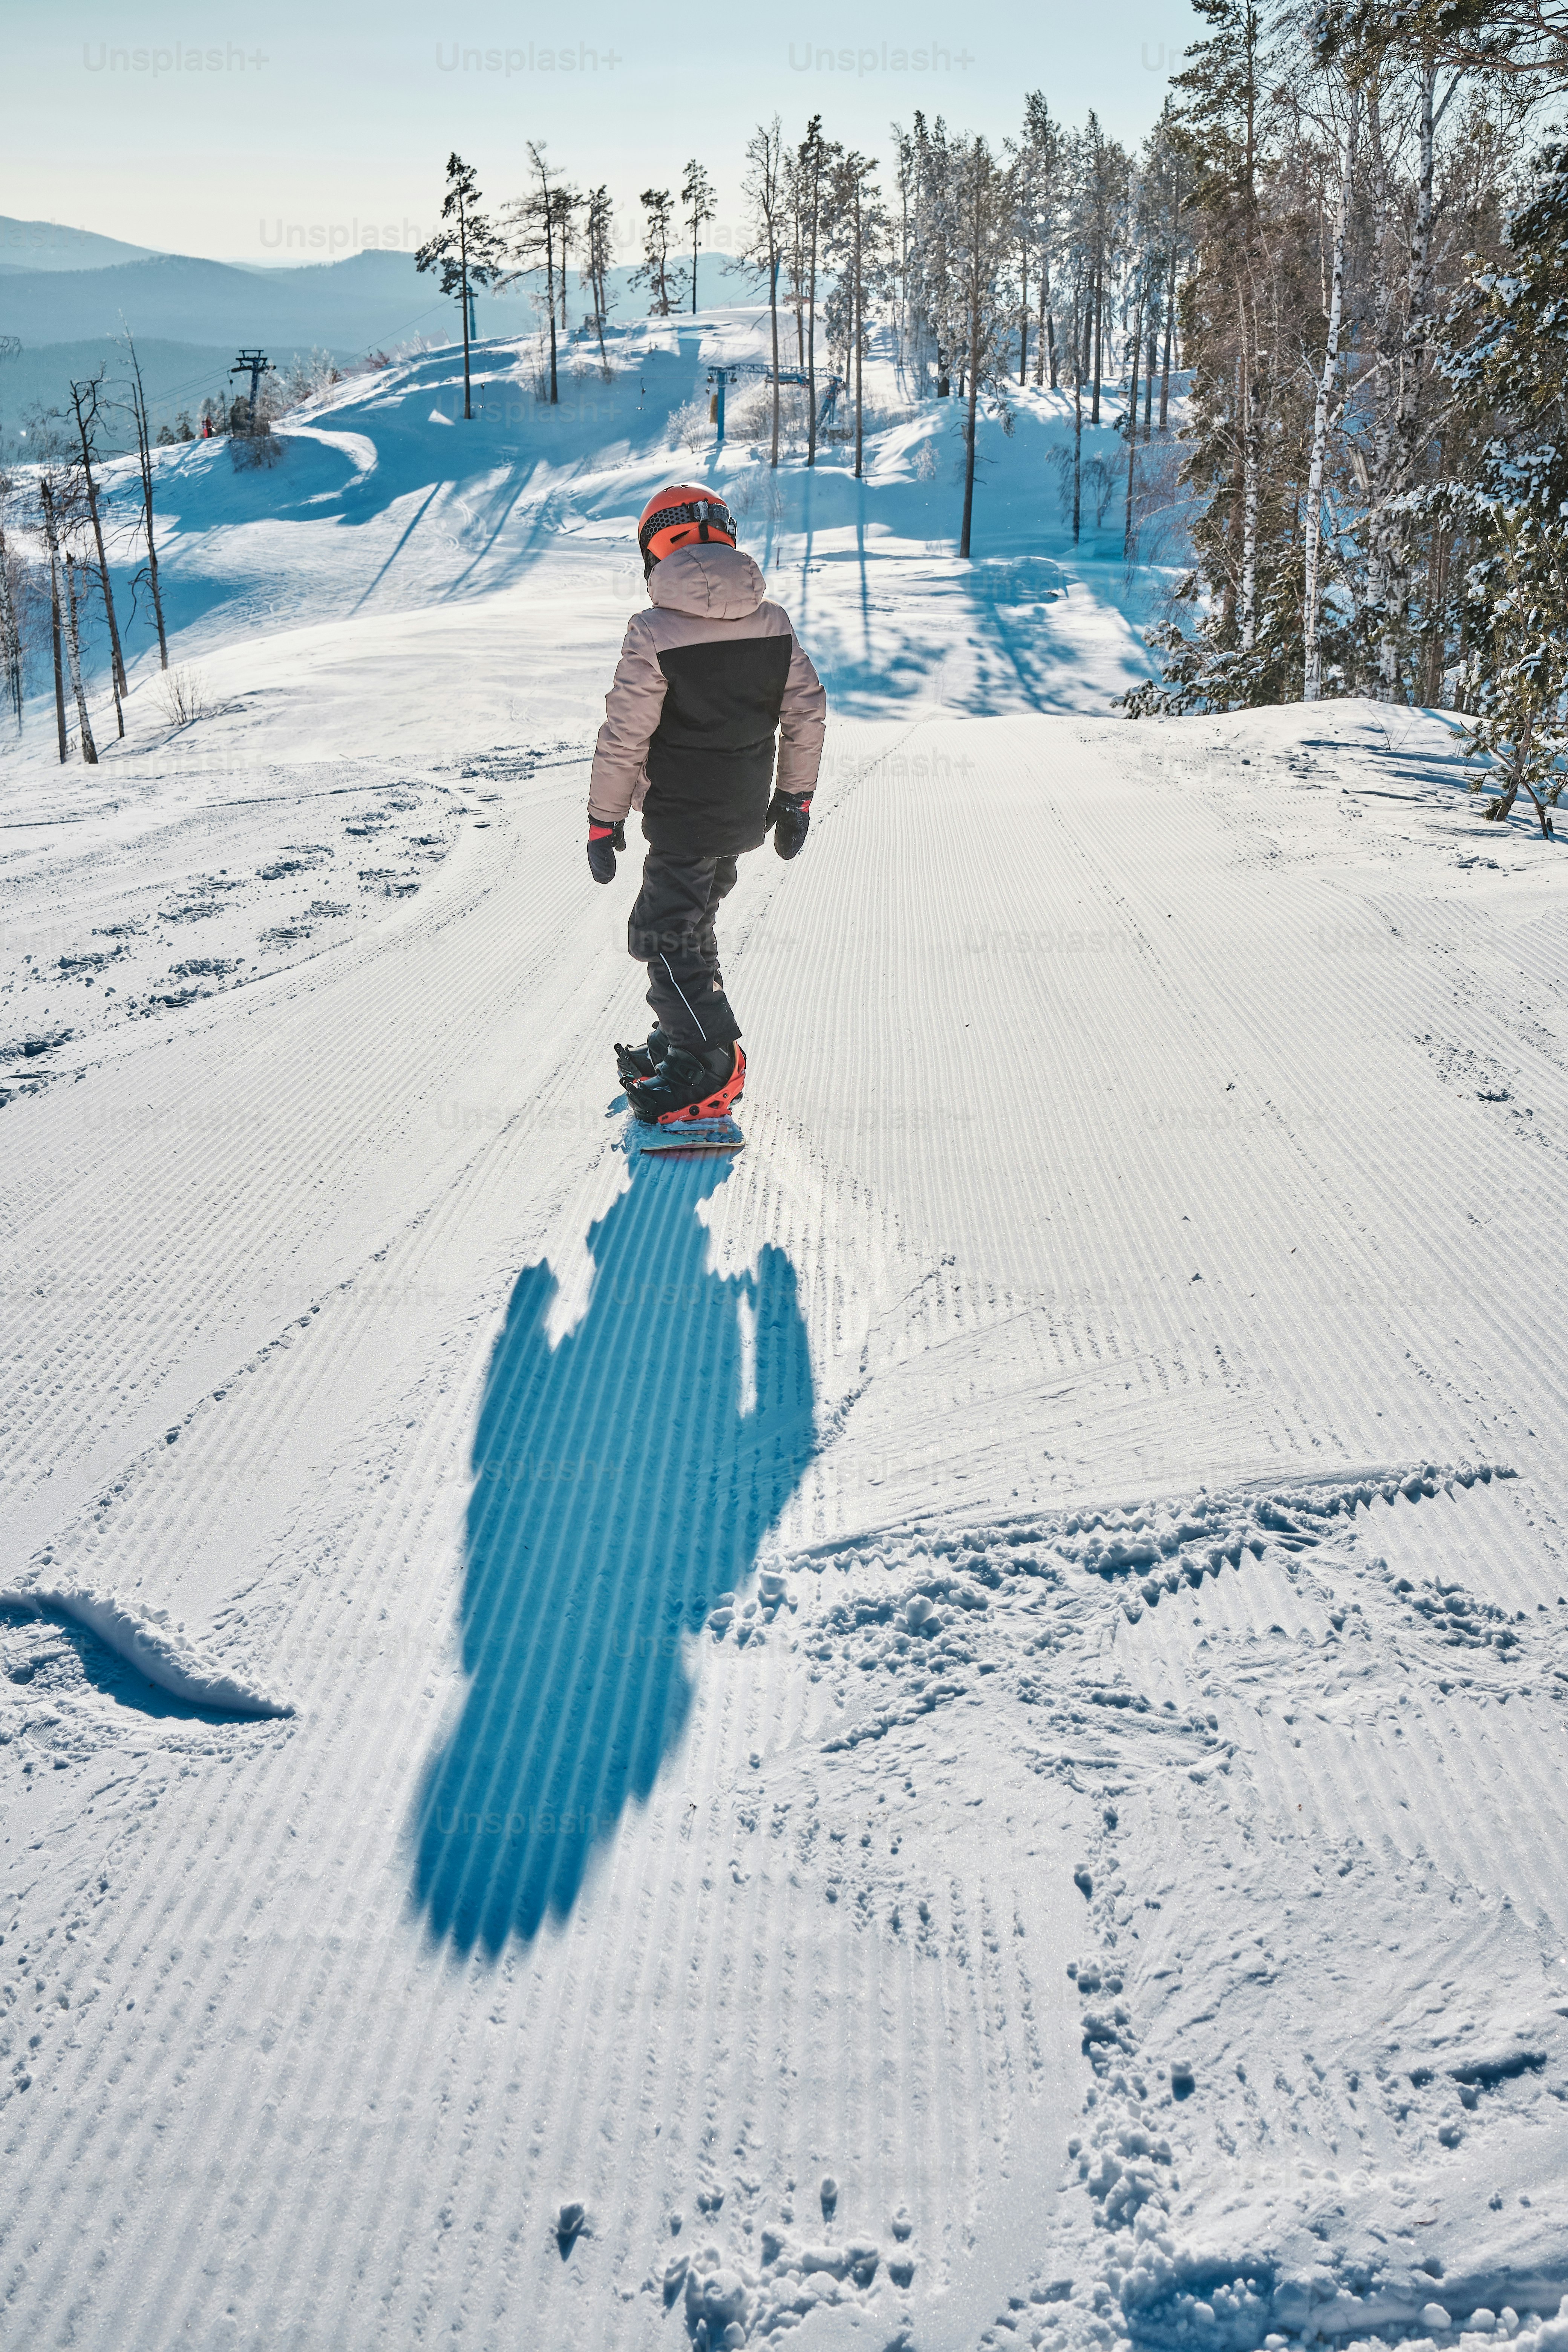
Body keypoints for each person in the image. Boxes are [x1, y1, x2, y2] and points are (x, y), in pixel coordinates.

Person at [586, 484, 827, 1125]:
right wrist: (795, 797)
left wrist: (603, 819)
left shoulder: (653, 631)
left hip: (684, 817)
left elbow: (625, 735)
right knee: (691, 925)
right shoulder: (772, 623)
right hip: (744, 813)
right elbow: (805, 712)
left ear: (654, 554)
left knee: (661, 936)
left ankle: (710, 1062)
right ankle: (679, 1033)